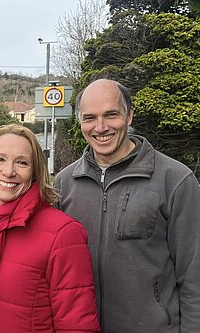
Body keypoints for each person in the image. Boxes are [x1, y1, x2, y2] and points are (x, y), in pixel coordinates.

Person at [54, 79, 200, 332]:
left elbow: (194, 275)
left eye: (111, 115)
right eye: (90, 118)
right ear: (80, 123)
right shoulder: (64, 184)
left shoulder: (175, 180)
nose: (100, 127)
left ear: (130, 115)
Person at [0, 124, 100, 333]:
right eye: (0, 159)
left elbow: (76, 324)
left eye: (21, 162)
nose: (8, 171)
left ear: (35, 173)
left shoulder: (63, 233)